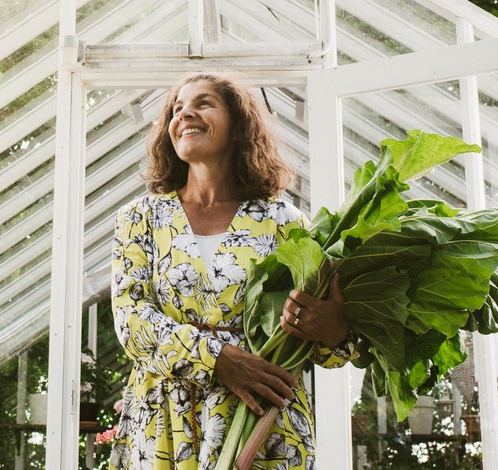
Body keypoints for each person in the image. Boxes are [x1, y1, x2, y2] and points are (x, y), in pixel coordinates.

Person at [107, 72, 357, 469]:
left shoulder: (285, 222)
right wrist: (217, 358)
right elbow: (131, 321)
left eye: (203, 103)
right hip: (164, 427)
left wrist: (336, 330)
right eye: (176, 108)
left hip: (261, 428)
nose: (184, 113)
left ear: (239, 125)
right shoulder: (140, 218)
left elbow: (327, 350)